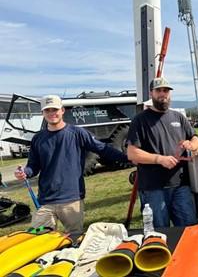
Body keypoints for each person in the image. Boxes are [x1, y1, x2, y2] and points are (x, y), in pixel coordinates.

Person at [14, 95, 128, 234]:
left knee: (74, 240)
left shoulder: (77, 133)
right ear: (42, 113)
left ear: (62, 110)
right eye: (47, 110)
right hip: (46, 200)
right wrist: (25, 172)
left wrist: (129, 158)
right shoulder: (38, 138)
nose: (51, 114)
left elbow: (102, 149)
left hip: (72, 199)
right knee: (39, 239)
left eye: (54, 109)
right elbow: (33, 166)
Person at [127, 77, 198, 227]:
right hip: (153, 189)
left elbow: (195, 138)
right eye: (158, 90)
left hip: (181, 186)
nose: (163, 94)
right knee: (160, 233)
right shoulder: (140, 120)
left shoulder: (178, 117)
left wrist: (192, 145)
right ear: (151, 93)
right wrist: (159, 159)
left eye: (166, 90)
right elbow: (132, 153)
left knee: (189, 229)